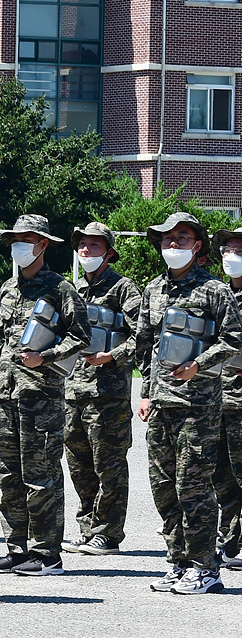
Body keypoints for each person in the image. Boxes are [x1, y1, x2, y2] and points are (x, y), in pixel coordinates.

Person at [138, 212, 242, 595]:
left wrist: (199, 364)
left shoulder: (215, 290)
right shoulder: (153, 290)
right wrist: (146, 392)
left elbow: (233, 340)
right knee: (164, 487)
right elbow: (145, 345)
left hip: (198, 405)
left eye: (182, 238)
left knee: (193, 486)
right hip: (162, 404)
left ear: (197, 246)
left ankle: (205, 567)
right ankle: (179, 562)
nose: (173, 245)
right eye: (167, 239)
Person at [0, 215, 90, 577]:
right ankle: (17, 549)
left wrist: (45, 357)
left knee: (41, 475)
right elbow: (4, 342)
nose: (19, 246)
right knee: (8, 476)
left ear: (43, 244)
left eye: (27, 239)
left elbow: (81, 337)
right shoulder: (7, 288)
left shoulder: (61, 289)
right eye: (15, 239)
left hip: (41, 397)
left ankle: (47, 554)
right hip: (8, 395)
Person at [62, 222, 140, 556]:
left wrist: (113, 355)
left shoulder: (124, 290)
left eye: (94, 246)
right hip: (72, 393)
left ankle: (108, 533)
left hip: (108, 395)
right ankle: (87, 526)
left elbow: (145, 336)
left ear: (108, 252)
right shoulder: (73, 289)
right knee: (78, 463)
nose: (86, 251)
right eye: (82, 245)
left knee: (109, 465)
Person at [213, 225, 242, 570]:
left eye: (239, 250)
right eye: (228, 250)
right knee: (221, 475)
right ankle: (230, 540)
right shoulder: (220, 296)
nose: (231, 256)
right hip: (216, 398)